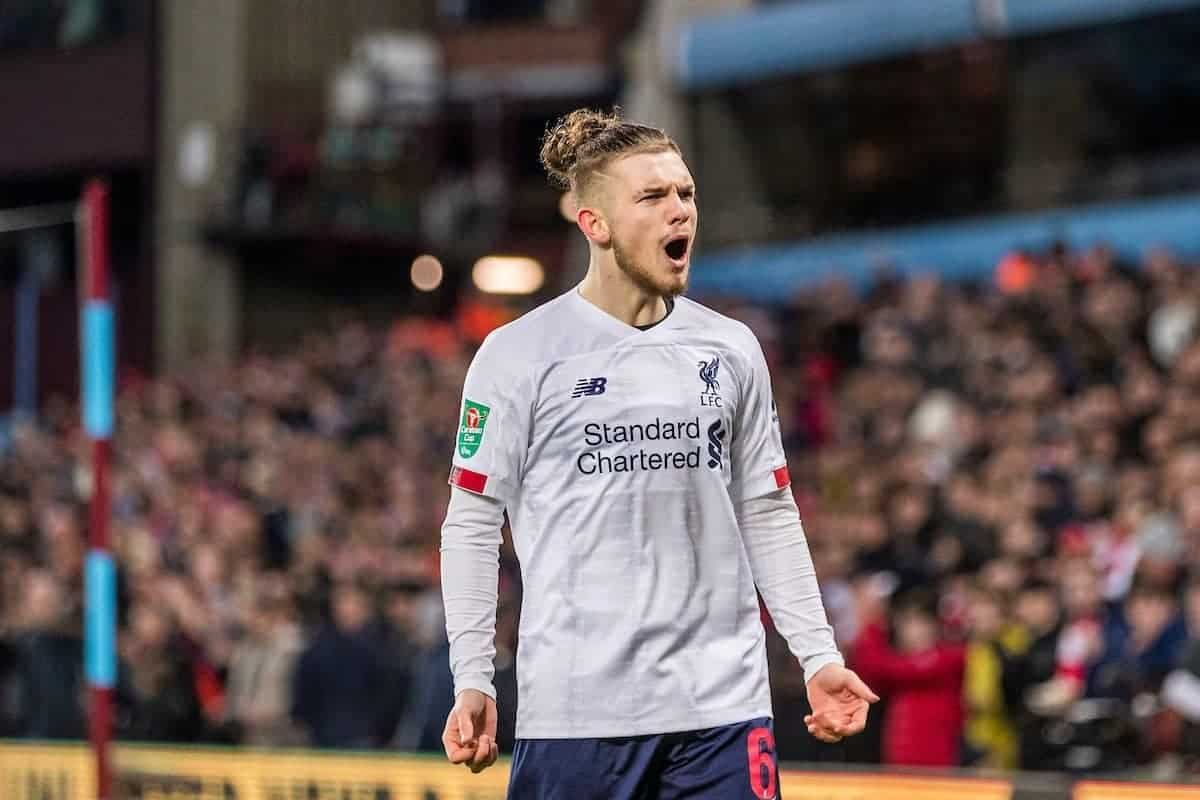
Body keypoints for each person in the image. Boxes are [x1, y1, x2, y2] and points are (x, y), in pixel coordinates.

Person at [438, 107, 878, 798]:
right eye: (653, 197)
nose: (680, 212)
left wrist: (817, 654)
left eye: (687, 193)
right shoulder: (518, 355)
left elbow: (767, 508)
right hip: (577, 716)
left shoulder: (730, 349)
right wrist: (472, 673)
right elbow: (470, 522)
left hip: (723, 711)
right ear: (597, 225)